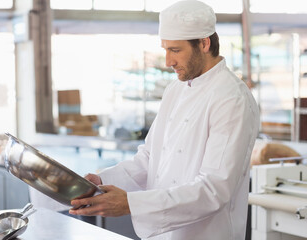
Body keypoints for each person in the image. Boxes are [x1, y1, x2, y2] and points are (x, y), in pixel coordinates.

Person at [69, 1, 260, 239]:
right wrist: (101, 181)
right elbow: (149, 159)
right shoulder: (175, 89)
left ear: (204, 43)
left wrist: (131, 203)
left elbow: (214, 189)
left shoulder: (232, 99)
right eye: (165, 49)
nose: (168, 61)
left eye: (176, 50)